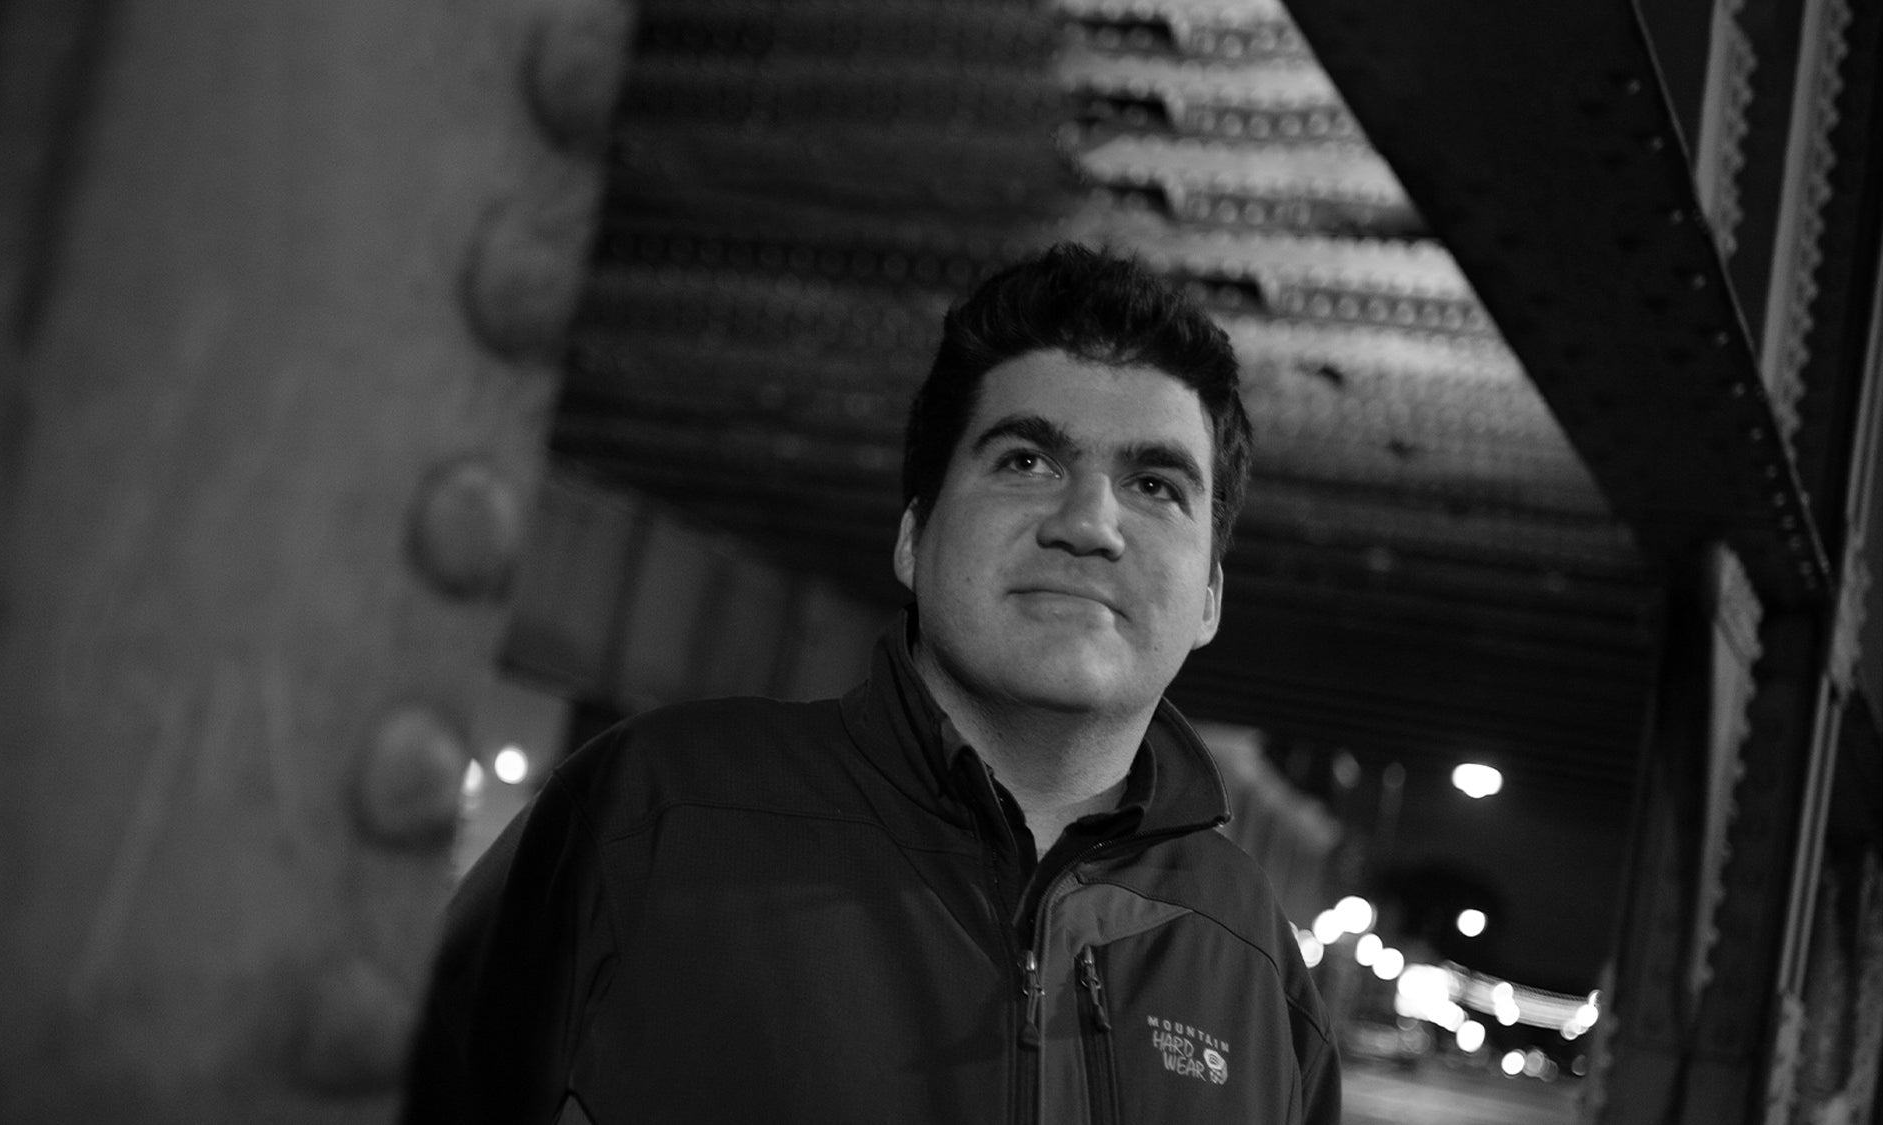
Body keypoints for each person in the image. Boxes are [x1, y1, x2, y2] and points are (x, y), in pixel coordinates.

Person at [400, 243, 1342, 1124]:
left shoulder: (1253, 953)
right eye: (1027, 460)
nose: (1089, 521)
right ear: (912, 536)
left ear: (1210, 596)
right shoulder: (652, 814)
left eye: (1156, 486)